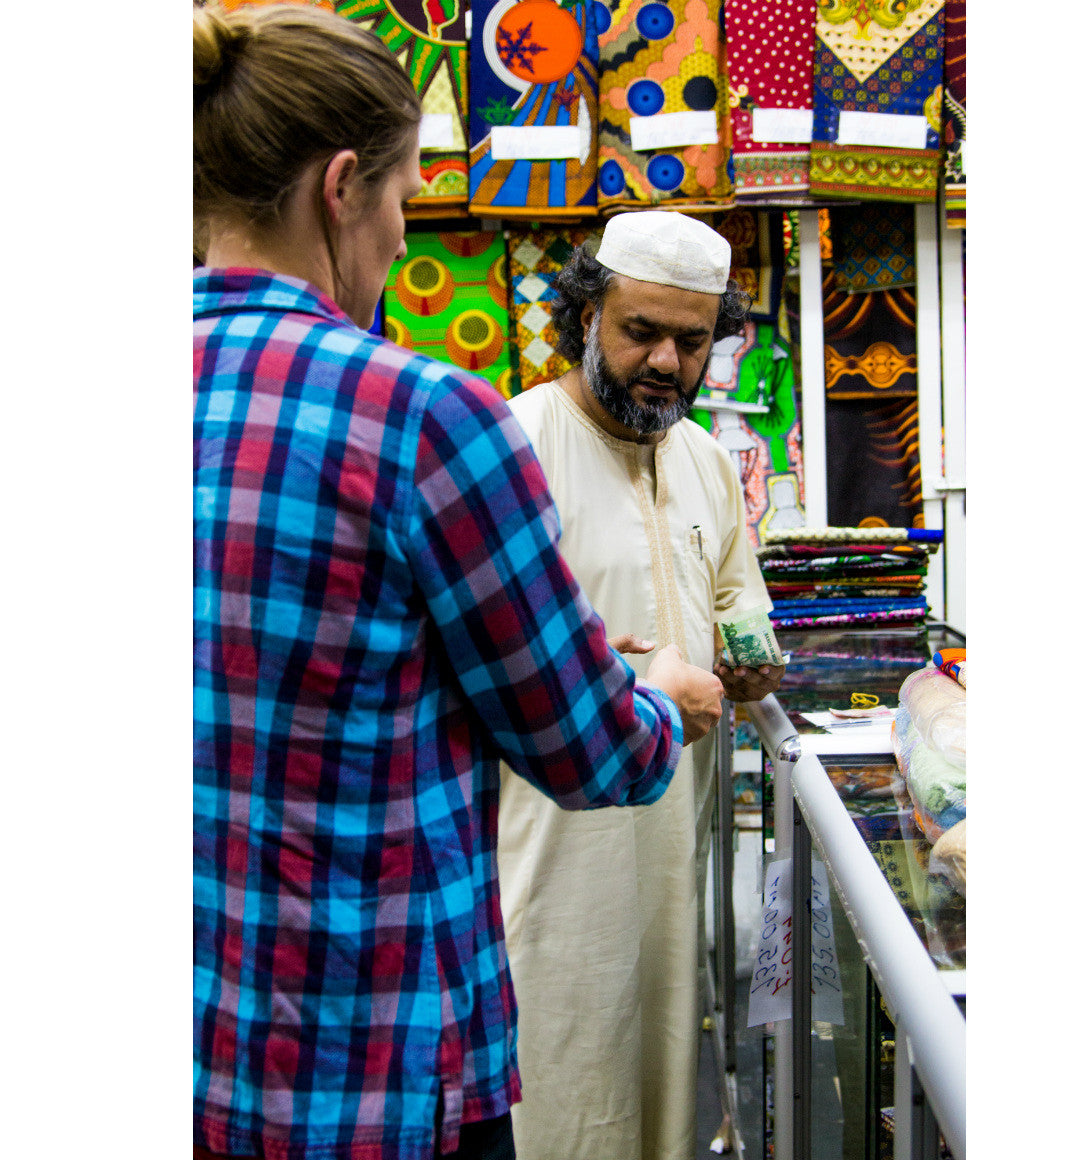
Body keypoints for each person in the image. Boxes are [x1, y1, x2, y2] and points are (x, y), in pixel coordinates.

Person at [192, 9, 725, 1160]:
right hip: (374, 1071)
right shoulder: (423, 419)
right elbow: (589, 746)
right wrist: (658, 691)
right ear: (342, 187)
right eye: (401, 196)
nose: (399, 234)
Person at [496, 211, 786, 1160]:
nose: (665, 360)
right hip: (546, 853)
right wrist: (628, 679)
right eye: (640, 331)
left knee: (664, 1080)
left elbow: (744, 605)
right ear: (585, 315)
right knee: (556, 1085)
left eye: (690, 340)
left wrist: (749, 662)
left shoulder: (703, 459)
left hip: (670, 851)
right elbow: (484, 663)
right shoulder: (514, 446)